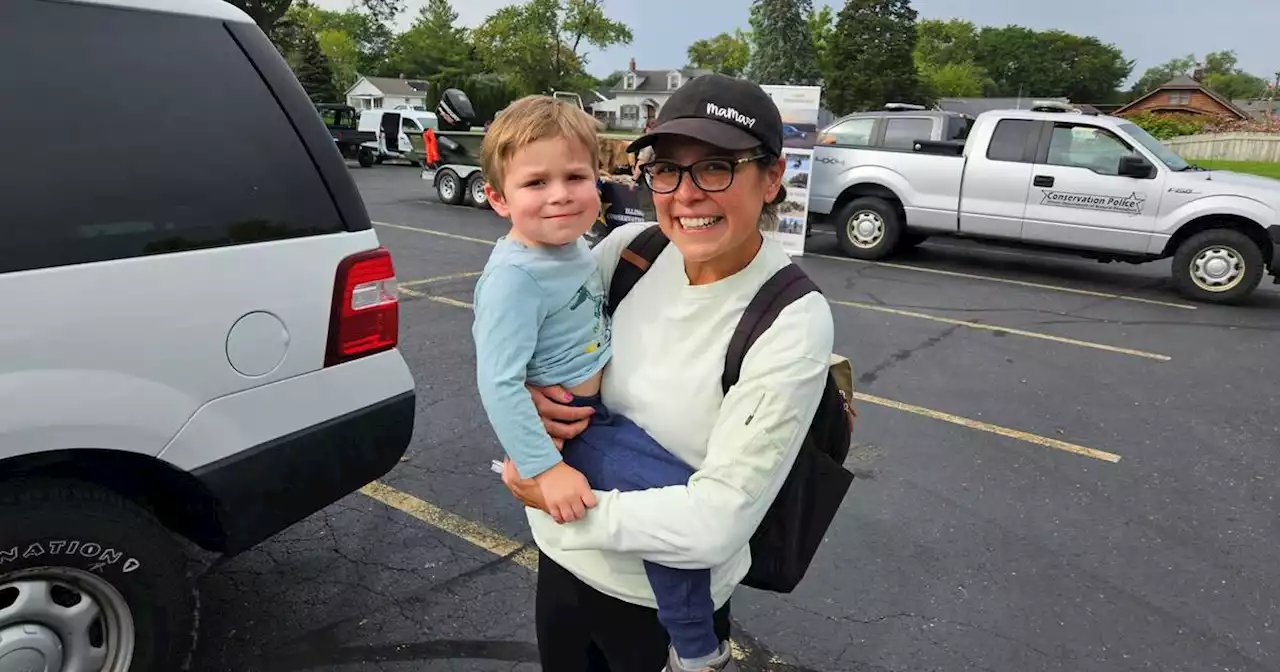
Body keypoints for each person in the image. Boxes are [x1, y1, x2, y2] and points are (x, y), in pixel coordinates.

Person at [495, 74, 836, 671]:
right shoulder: (628, 253)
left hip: (660, 606)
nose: (685, 194)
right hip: (563, 573)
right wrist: (527, 394)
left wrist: (555, 503)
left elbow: (714, 526)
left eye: (716, 168)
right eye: (668, 169)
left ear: (773, 176)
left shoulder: (788, 321)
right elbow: (522, 338)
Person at [470, 94, 741, 671]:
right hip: (580, 430)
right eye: (535, 182)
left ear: (600, 180)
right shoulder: (513, 277)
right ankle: (696, 649)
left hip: (597, 417)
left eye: (574, 175)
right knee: (677, 505)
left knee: (676, 502)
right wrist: (545, 466)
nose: (560, 193)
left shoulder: (569, 250)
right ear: (497, 198)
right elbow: (498, 382)